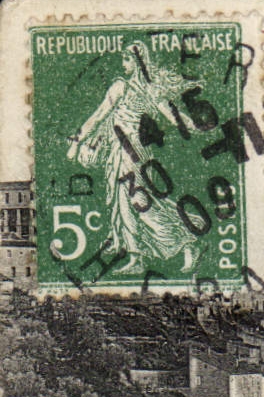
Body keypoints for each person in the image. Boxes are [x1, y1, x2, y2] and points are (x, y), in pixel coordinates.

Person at [65, 42, 199, 275]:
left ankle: (186, 242)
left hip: (134, 153)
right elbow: (99, 117)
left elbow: (172, 115)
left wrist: (193, 124)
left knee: (142, 201)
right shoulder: (133, 88)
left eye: (126, 60)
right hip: (121, 151)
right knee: (123, 201)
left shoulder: (138, 88)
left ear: (138, 63)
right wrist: (77, 142)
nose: (123, 64)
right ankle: (135, 256)